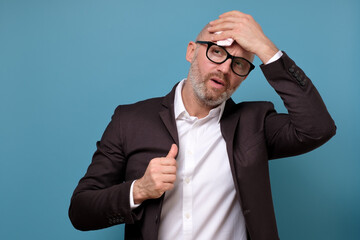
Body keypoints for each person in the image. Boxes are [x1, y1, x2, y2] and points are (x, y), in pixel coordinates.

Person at [69, 10, 336, 240]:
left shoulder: (255, 124)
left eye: (240, 63)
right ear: (191, 51)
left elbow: (318, 127)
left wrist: (266, 48)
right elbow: (81, 211)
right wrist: (139, 189)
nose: (225, 69)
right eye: (216, 52)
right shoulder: (130, 120)